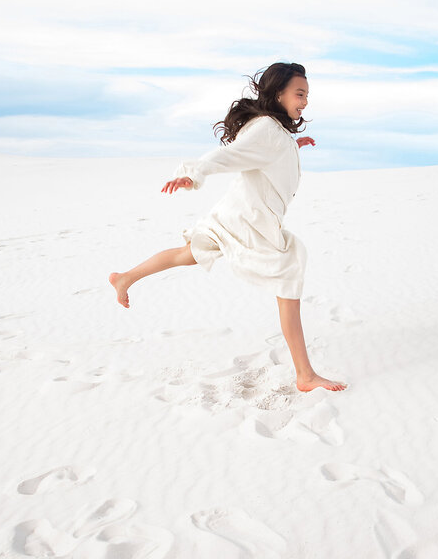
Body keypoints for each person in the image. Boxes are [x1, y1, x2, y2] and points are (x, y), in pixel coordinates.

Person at [109, 62, 347, 393]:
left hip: (235, 212)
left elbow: (268, 154)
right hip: (249, 222)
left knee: (187, 254)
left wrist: (295, 145)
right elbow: (229, 155)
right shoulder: (266, 129)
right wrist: (192, 174)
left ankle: (125, 278)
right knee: (289, 273)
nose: (305, 102)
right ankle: (305, 375)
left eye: (306, 95)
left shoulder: (272, 130)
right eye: (299, 94)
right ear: (279, 93)